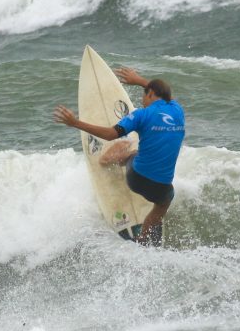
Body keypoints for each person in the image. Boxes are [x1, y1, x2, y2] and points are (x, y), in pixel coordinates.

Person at [54, 68, 185, 245]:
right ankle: (144, 239)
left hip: (136, 178)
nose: (143, 101)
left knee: (131, 150)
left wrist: (75, 122)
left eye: (144, 97)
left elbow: (110, 134)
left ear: (151, 94)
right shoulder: (178, 110)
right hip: (162, 187)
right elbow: (165, 95)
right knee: (163, 204)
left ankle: (107, 159)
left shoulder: (141, 114)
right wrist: (139, 80)